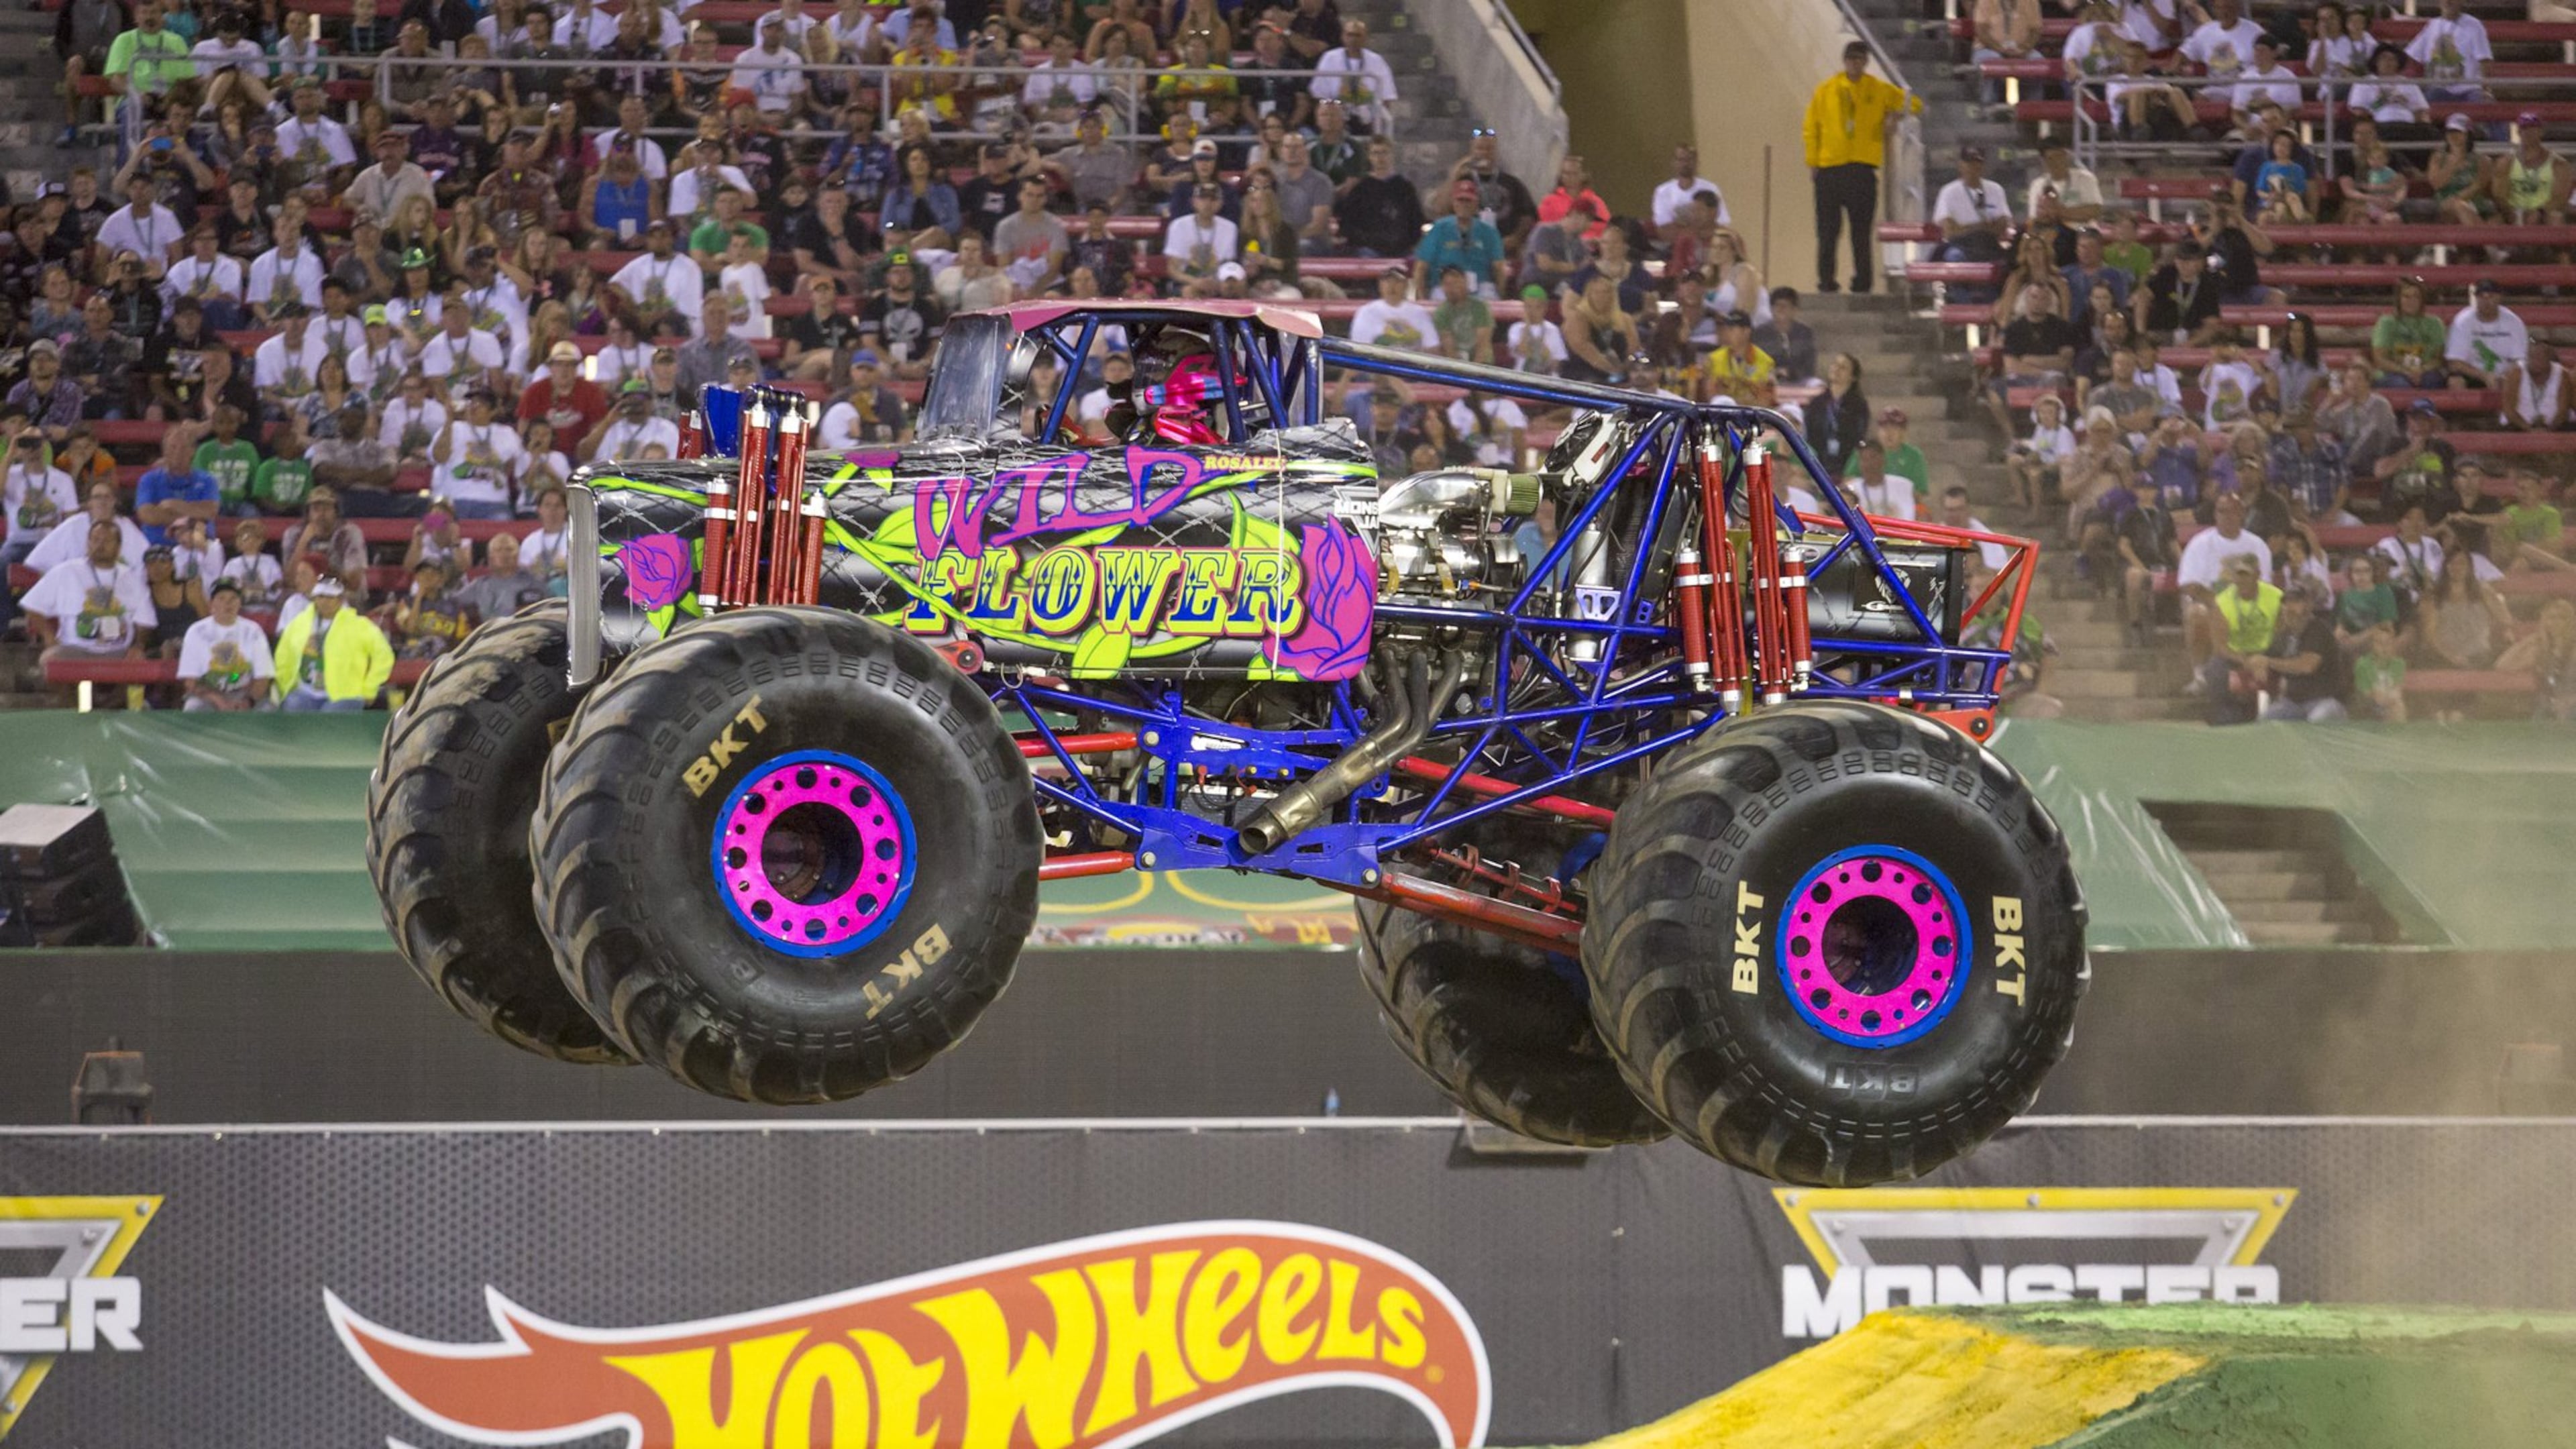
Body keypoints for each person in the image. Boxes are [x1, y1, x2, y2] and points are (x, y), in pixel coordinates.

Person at [1802, 41, 1919, 294]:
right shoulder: (1826, 90)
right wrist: (1813, 161)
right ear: (1844, 61)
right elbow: (1812, 128)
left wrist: (1895, 115)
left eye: (1860, 59)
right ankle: (1826, 282)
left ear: (1866, 62)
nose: (1855, 64)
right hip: (1830, 169)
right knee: (1828, 232)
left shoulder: (1878, 90)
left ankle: (1863, 283)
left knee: (1861, 232)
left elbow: (1914, 103)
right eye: (1851, 59)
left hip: (1862, 169)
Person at [22, 515, 154, 666]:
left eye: (107, 541)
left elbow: (146, 620)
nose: (100, 545)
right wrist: (49, 637)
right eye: (95, 540)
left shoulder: (132, 578)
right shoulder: (66, 571)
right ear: (88, 543)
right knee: (50, 660)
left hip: (119, 650)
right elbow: (32, 606)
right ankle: (69, 692)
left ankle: (118, 691)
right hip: (74, 649)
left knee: (138, 662)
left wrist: (138, 646)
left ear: (119, 547)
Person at [271, 576, 392, 710]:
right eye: (321, 596)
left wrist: (370, 688)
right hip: (305, 692)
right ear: (314, 598)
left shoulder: (359, 625)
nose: (325, 602)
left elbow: (384, 655)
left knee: (329, 719)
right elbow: (283, 656)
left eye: (330, 597)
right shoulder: (299, 623)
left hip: (345, 695)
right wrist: (285, 686)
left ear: (340, 600)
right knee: (292, 705)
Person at [176, 579, 272, 710]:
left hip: (245, 693)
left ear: (240, 603)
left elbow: (263, 677)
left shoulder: (254, 631)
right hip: (209, 695)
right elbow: (191, 682)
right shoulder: (196, 632)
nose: (228, 604)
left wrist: (248, 701)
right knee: (194, 708)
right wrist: (218, 700)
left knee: (267, 709)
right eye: (221, 599)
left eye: (233, 599)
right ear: (212, 604)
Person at [2252, 588, 2345, 721]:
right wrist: (2257, 664)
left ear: (2308, 605)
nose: (2291, 608)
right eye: (2287, 603)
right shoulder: (2283, 635)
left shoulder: (2318, 630)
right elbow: (2262, 658)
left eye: (2297, 602)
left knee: (2317, 720)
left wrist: (2269, 662)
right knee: (2266, 721)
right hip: (2292, 703)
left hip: (2324, 701)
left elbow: (2307, 666)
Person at [1931, 146, 2012, 268]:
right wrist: (1981, 227)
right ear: (1961, 165)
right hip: (1960, 246)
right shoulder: (1949, 191)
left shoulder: (1996, 189)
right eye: (1969, 163)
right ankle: (1959, 289)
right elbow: (1950, 232)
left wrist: (1965, 228)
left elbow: (2002, 226)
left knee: (2007, 262)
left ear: (1983, 166)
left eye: (1977, 163)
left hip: (1988, 245)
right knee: (1955, 257)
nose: (1973, 167)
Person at [2447, 279, 2528, 389]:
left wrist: (2505, 375)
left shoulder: (2513, 322)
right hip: (2473, 375)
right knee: (2455, 381)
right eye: (2482, 297)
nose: (2486, 301)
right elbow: (2455, 362)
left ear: (2500, 297)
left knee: (2519, 377)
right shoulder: (2463, 321)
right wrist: (2484, 376)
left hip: (2505, 375)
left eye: (2491, 296)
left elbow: (2520, 359)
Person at [1804, 353, 1872, 481]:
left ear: (1853, 377)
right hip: (1818, 463)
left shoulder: (1858, 406)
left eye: (1843, 367)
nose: (1836, 369)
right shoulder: (1817, 403)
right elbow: (1808, 436)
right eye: (1835, 364)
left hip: (1846, 467)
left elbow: (1859, 439)